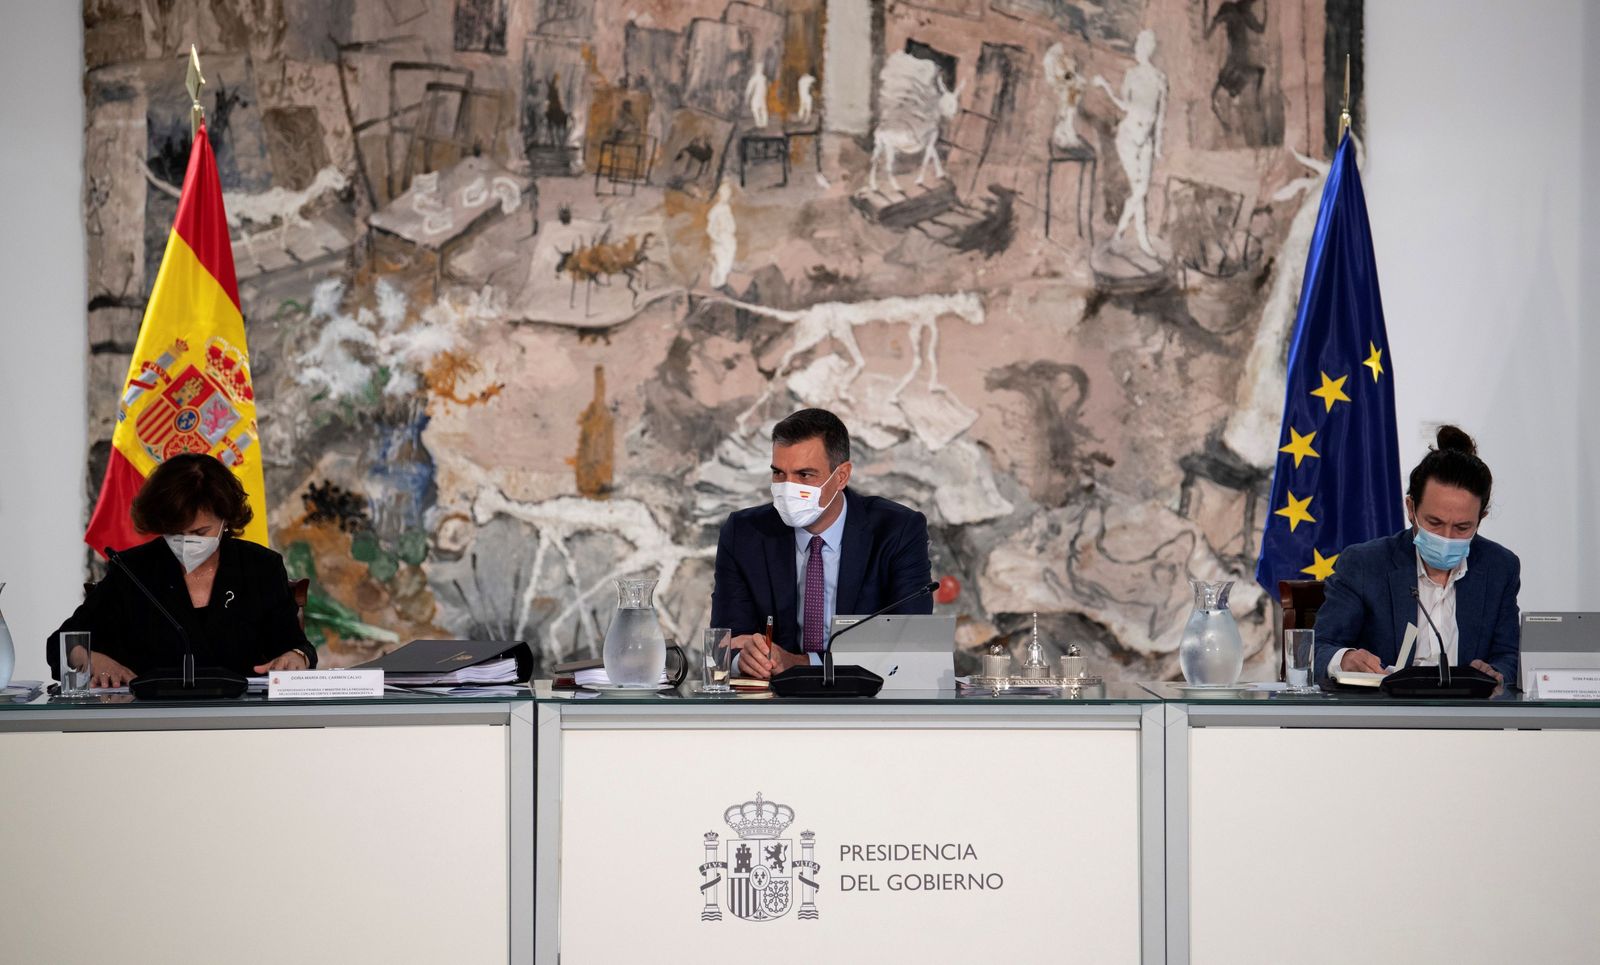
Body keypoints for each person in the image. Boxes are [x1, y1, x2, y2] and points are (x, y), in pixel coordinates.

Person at [48, 453, 317, 687]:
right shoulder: (133, 570)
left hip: (241, 718)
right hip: (149, 719)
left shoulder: (260, 566)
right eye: (175, 532)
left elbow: (296, 646)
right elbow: (60, 644)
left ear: (225, 520)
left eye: (200, 532)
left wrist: (296, 657)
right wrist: (90, 659)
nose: (187, 542)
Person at [710, 408, 933, 679]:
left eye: (804, 475)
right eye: (779, 473)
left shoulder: (898, 530)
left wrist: (800, 663)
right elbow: (726, 641)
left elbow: (909, 641)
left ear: (841, 476)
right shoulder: (745, 533)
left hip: (867, 696)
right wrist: (744, 659)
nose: (788, 487)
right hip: (774, 698)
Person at [1314, 426, 1520, 686]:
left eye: (1462, 527)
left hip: (1467, 709)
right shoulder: (1364, 564)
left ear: (1481, 518)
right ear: (1411, 508)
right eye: (1435, 522)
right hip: (1385, 709)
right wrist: (1344, 659)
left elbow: (1509, 656)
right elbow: (1319, 649)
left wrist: (1495, 673)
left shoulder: (1500, 567)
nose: (1446, 537)